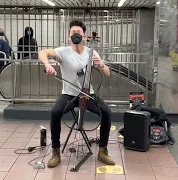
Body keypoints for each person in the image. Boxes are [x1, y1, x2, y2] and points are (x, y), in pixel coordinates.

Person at [38, 20, 115, 168]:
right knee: (55, 112)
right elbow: (43, 52)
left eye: (78, 32)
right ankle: (55, 152)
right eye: (72, 32)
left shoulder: (91, 52)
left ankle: (102, 151)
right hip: (69, 94)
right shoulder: (63, 52)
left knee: (106, 112)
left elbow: (107, 73)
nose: (75, 34)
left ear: (84, 36)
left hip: (88, 93)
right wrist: (47, 64)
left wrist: (101, 65)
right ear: (69, 36)